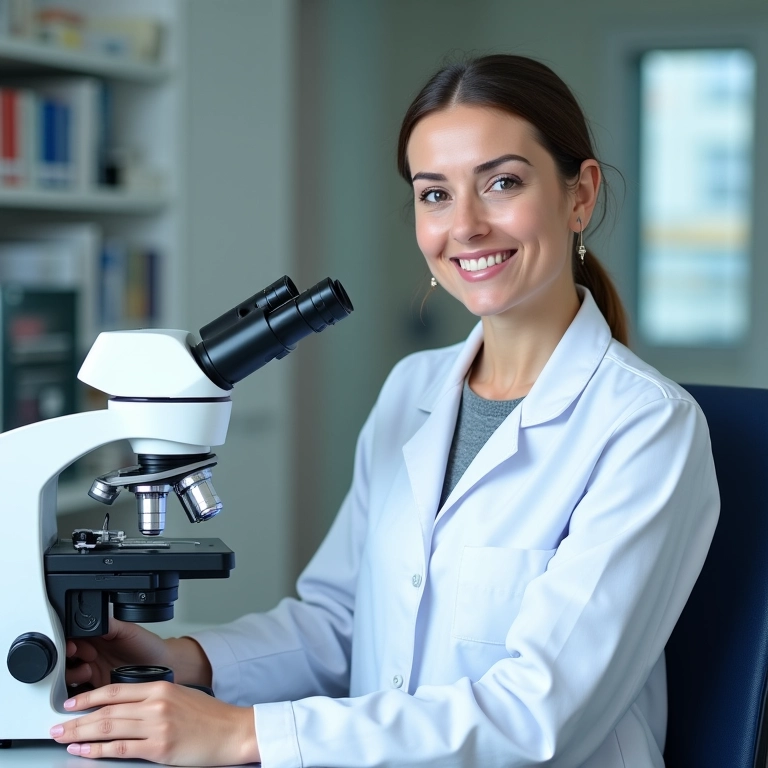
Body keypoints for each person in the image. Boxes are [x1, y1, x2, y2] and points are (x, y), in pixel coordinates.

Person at [52, 54, 719, 767]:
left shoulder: (647, 426)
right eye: (435, 195)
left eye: (502, 182)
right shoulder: (414, 388)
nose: (463, 225)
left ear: (578, 195)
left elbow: (539, 716)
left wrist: (245, 733)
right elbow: (341, 622)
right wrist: (184, 661)